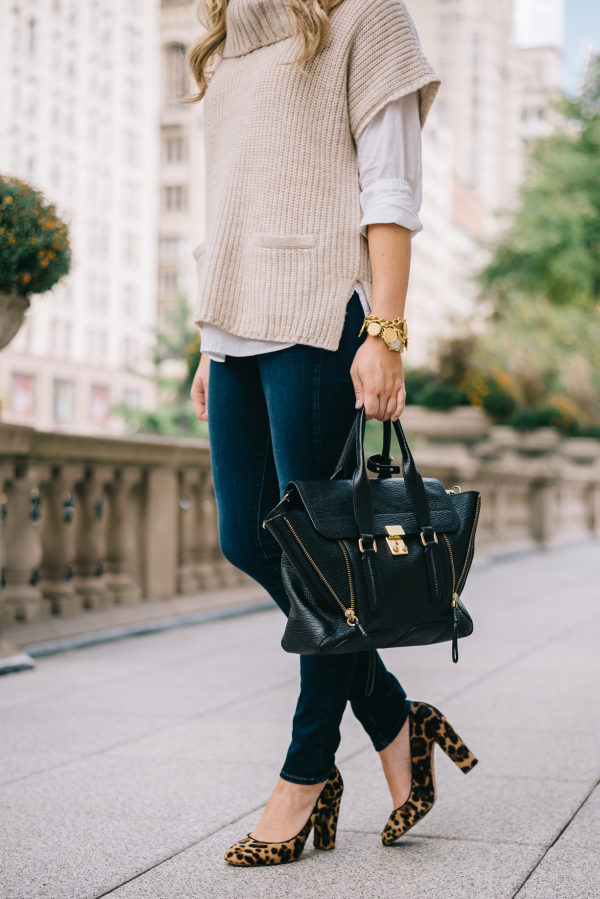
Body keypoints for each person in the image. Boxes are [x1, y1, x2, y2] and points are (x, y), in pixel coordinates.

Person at [189, 0, 477, 867]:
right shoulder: (231, 42)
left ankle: (306, 773)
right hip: (234, 327)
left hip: (318, 318)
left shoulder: (366, 18)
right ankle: (395, 718)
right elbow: (229, 204)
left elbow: (390, 184)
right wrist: (209, 344)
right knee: (247, 538)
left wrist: (384, 330)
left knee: (323, 561)